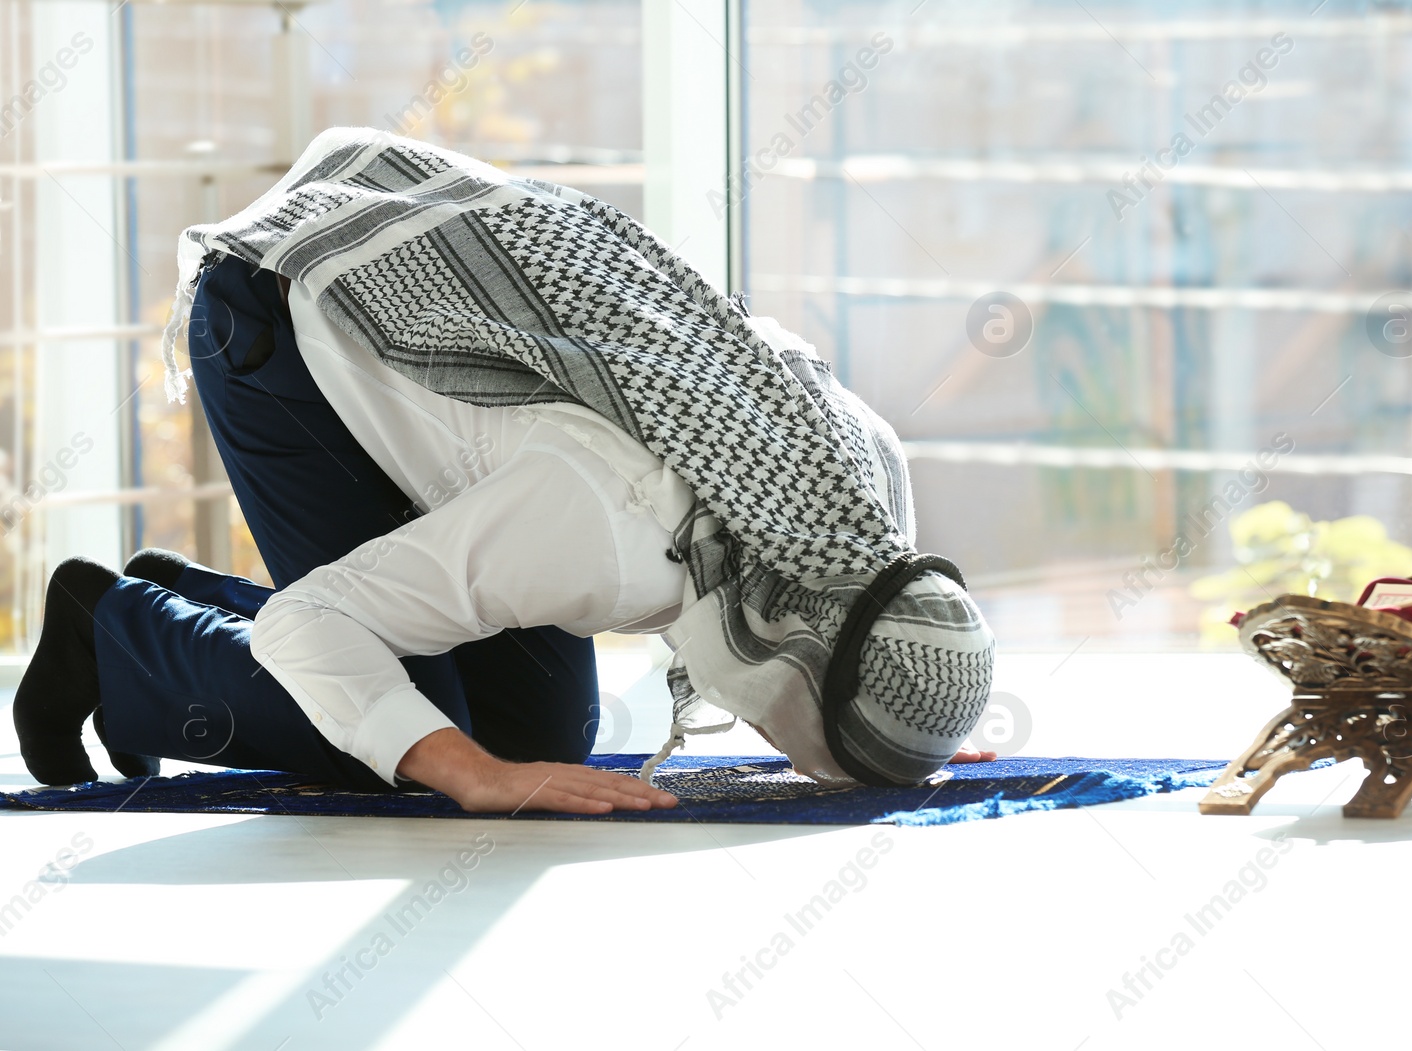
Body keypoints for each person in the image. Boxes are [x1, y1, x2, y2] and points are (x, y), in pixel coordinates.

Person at [13, 128, 997, 815]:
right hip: (293, 313)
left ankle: (178, 603)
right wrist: (468, 774)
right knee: (422, 742)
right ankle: (111, 634)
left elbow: (877, 635)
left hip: (476, 362)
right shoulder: (611, 536)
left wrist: (907, 728)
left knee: (542, 743)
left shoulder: (861, 487)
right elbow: (310, 627)